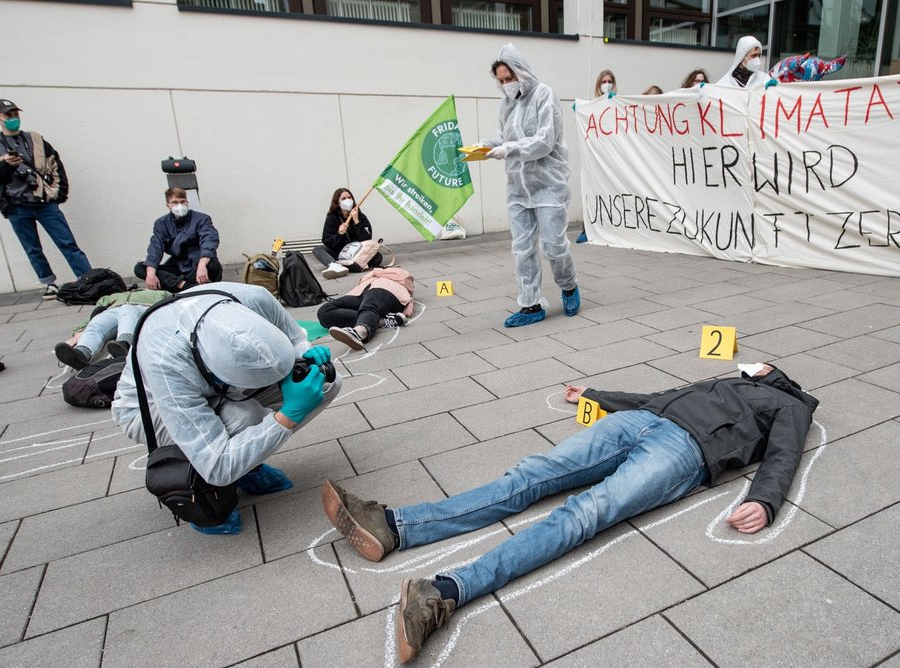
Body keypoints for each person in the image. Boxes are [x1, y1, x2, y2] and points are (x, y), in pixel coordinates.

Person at [320, 363, 819, 662]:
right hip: (643, 421)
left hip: (685, 453)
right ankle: (394, 527)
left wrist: (765, 499)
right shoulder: (719, 381)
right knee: (532, 474)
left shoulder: (788, 405)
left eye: (757, 364)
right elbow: (652, 398)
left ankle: (446, 593)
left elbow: (784, 454)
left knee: (585, 513)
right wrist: (596, 395)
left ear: (774, 375)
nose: (747, 364)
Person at [112, 282, 342, 535]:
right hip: (148, 408)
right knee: (243, 417)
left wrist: (304, 354)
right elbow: (216, 466)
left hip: (217, 387)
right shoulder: (165, 359)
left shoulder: (255, 298)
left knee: (324, 382)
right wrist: (288, 417)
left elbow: (295, 338)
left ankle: (245, 459)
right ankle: (213, 491)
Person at [479, 44, 582, 327]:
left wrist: (508, 149)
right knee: (522, 248)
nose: (505, 85)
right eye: (500, 81)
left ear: (521, 72)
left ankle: (569, 284)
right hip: (518, 187)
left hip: (549, 183)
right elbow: (505, 137)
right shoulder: (507, 103)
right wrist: (487, 146)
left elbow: (544, 141)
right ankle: (531, 304)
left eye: (508, 78)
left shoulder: (545, 95)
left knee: (553, 245)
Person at [0, 99, 92, 300]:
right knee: (33, 248)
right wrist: (7, 165)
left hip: (44, 202)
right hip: (16, 205)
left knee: (67, 242)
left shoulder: (35, 139)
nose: (12, 119)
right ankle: (49, 283)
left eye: (15, 114)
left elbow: (55, 163)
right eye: (7, 115)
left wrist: (57, 192)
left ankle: (88, 278)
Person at [54, 289, 169, 370]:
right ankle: (82, 353)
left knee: (127, 310)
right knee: (96, 322)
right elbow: (94, 315)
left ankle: (125, 343)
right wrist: (79, 331)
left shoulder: (159, 293)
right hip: (113, 310)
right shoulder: (109, 298)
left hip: (141, 308)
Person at [134, 188, 222, 293]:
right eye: (175, 202)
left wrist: (202, 265)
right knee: (140, 268)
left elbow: (209, 240)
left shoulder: (202, 219)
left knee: (213, 265)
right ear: (168, 205)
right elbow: (155, 247)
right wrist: (151, 273)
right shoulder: (161, 223)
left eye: (182, 201)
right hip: (178, 266)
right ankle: (185, 285)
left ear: (187, 202)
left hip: (197, 265)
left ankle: (174, 285)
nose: (179, 205)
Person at [319, 266, 415, 350]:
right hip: (359, 294)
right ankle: (381, 320)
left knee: (370, 305)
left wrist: (375, 272)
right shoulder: (370, 279)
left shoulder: (395, 274)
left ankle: (360, 332)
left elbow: (405, 279)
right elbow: (361, 281)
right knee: (324, 311)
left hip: (387, 290)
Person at [315, 187, 384, 279]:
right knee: (318, 249)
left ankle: (345, 265)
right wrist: (340, 234)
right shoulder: (332, 218)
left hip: (357, 252)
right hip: (340, 252)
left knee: (377, 258)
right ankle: (335, 265)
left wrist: (356, 221)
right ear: (337, 203)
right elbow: (327, 241)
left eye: (349, 197)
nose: (347, 200)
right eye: (343, 198)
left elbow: (366, 239)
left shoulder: (360, 216)